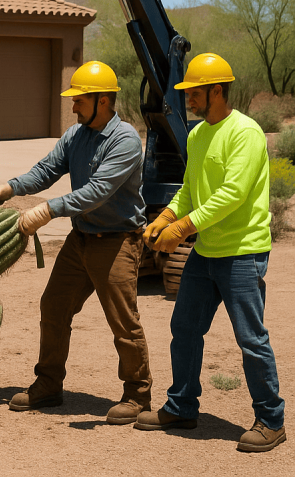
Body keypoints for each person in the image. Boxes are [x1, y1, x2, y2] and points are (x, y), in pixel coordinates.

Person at [0, 60, 150, 425]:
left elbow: (98, 192)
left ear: (102, 101)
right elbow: (46, 170)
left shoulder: (125, 141)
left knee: (123, 320)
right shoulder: (76, 135)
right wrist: (8, 188)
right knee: (54, 306)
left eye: (79, 100)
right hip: (82, 238)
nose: (73, 107)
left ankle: (138, 395)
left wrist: (47, 210)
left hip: (117, 241)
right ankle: (49, 384)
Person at [135, 53, 285, 452]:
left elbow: (232, 194)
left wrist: (182, 228)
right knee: (184, 329)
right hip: (206, 252)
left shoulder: (245, 132)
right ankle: (181, 406)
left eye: (194, 92)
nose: (188, 98)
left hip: (242, 252)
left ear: (216, 91)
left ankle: (271, 420)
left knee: (251, 339)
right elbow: (190, 189)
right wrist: (166, 216)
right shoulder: (198, 134)